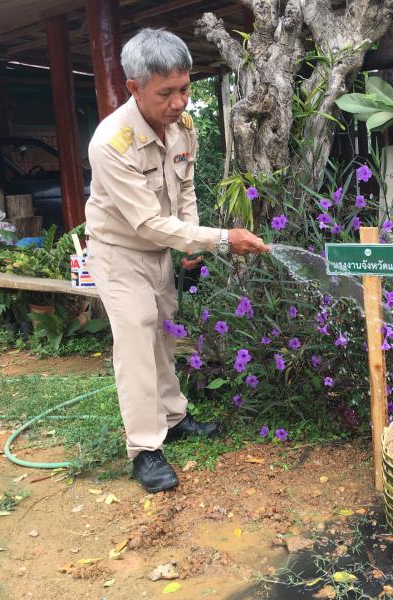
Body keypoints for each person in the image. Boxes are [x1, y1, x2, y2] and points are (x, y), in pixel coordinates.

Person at [85, 28, 269, 493]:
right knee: (137, 338)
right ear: (134, 87)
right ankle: (145, 448)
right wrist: (219, 240)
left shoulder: (183, 127)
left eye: (184, 88)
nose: (179, 102)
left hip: (160, 248)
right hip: (119, 251)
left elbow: (184, 190)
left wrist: (191, 241)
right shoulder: (111, 143)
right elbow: (146, 223)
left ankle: (173, 417)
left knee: (165, 331)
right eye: (165, 93)